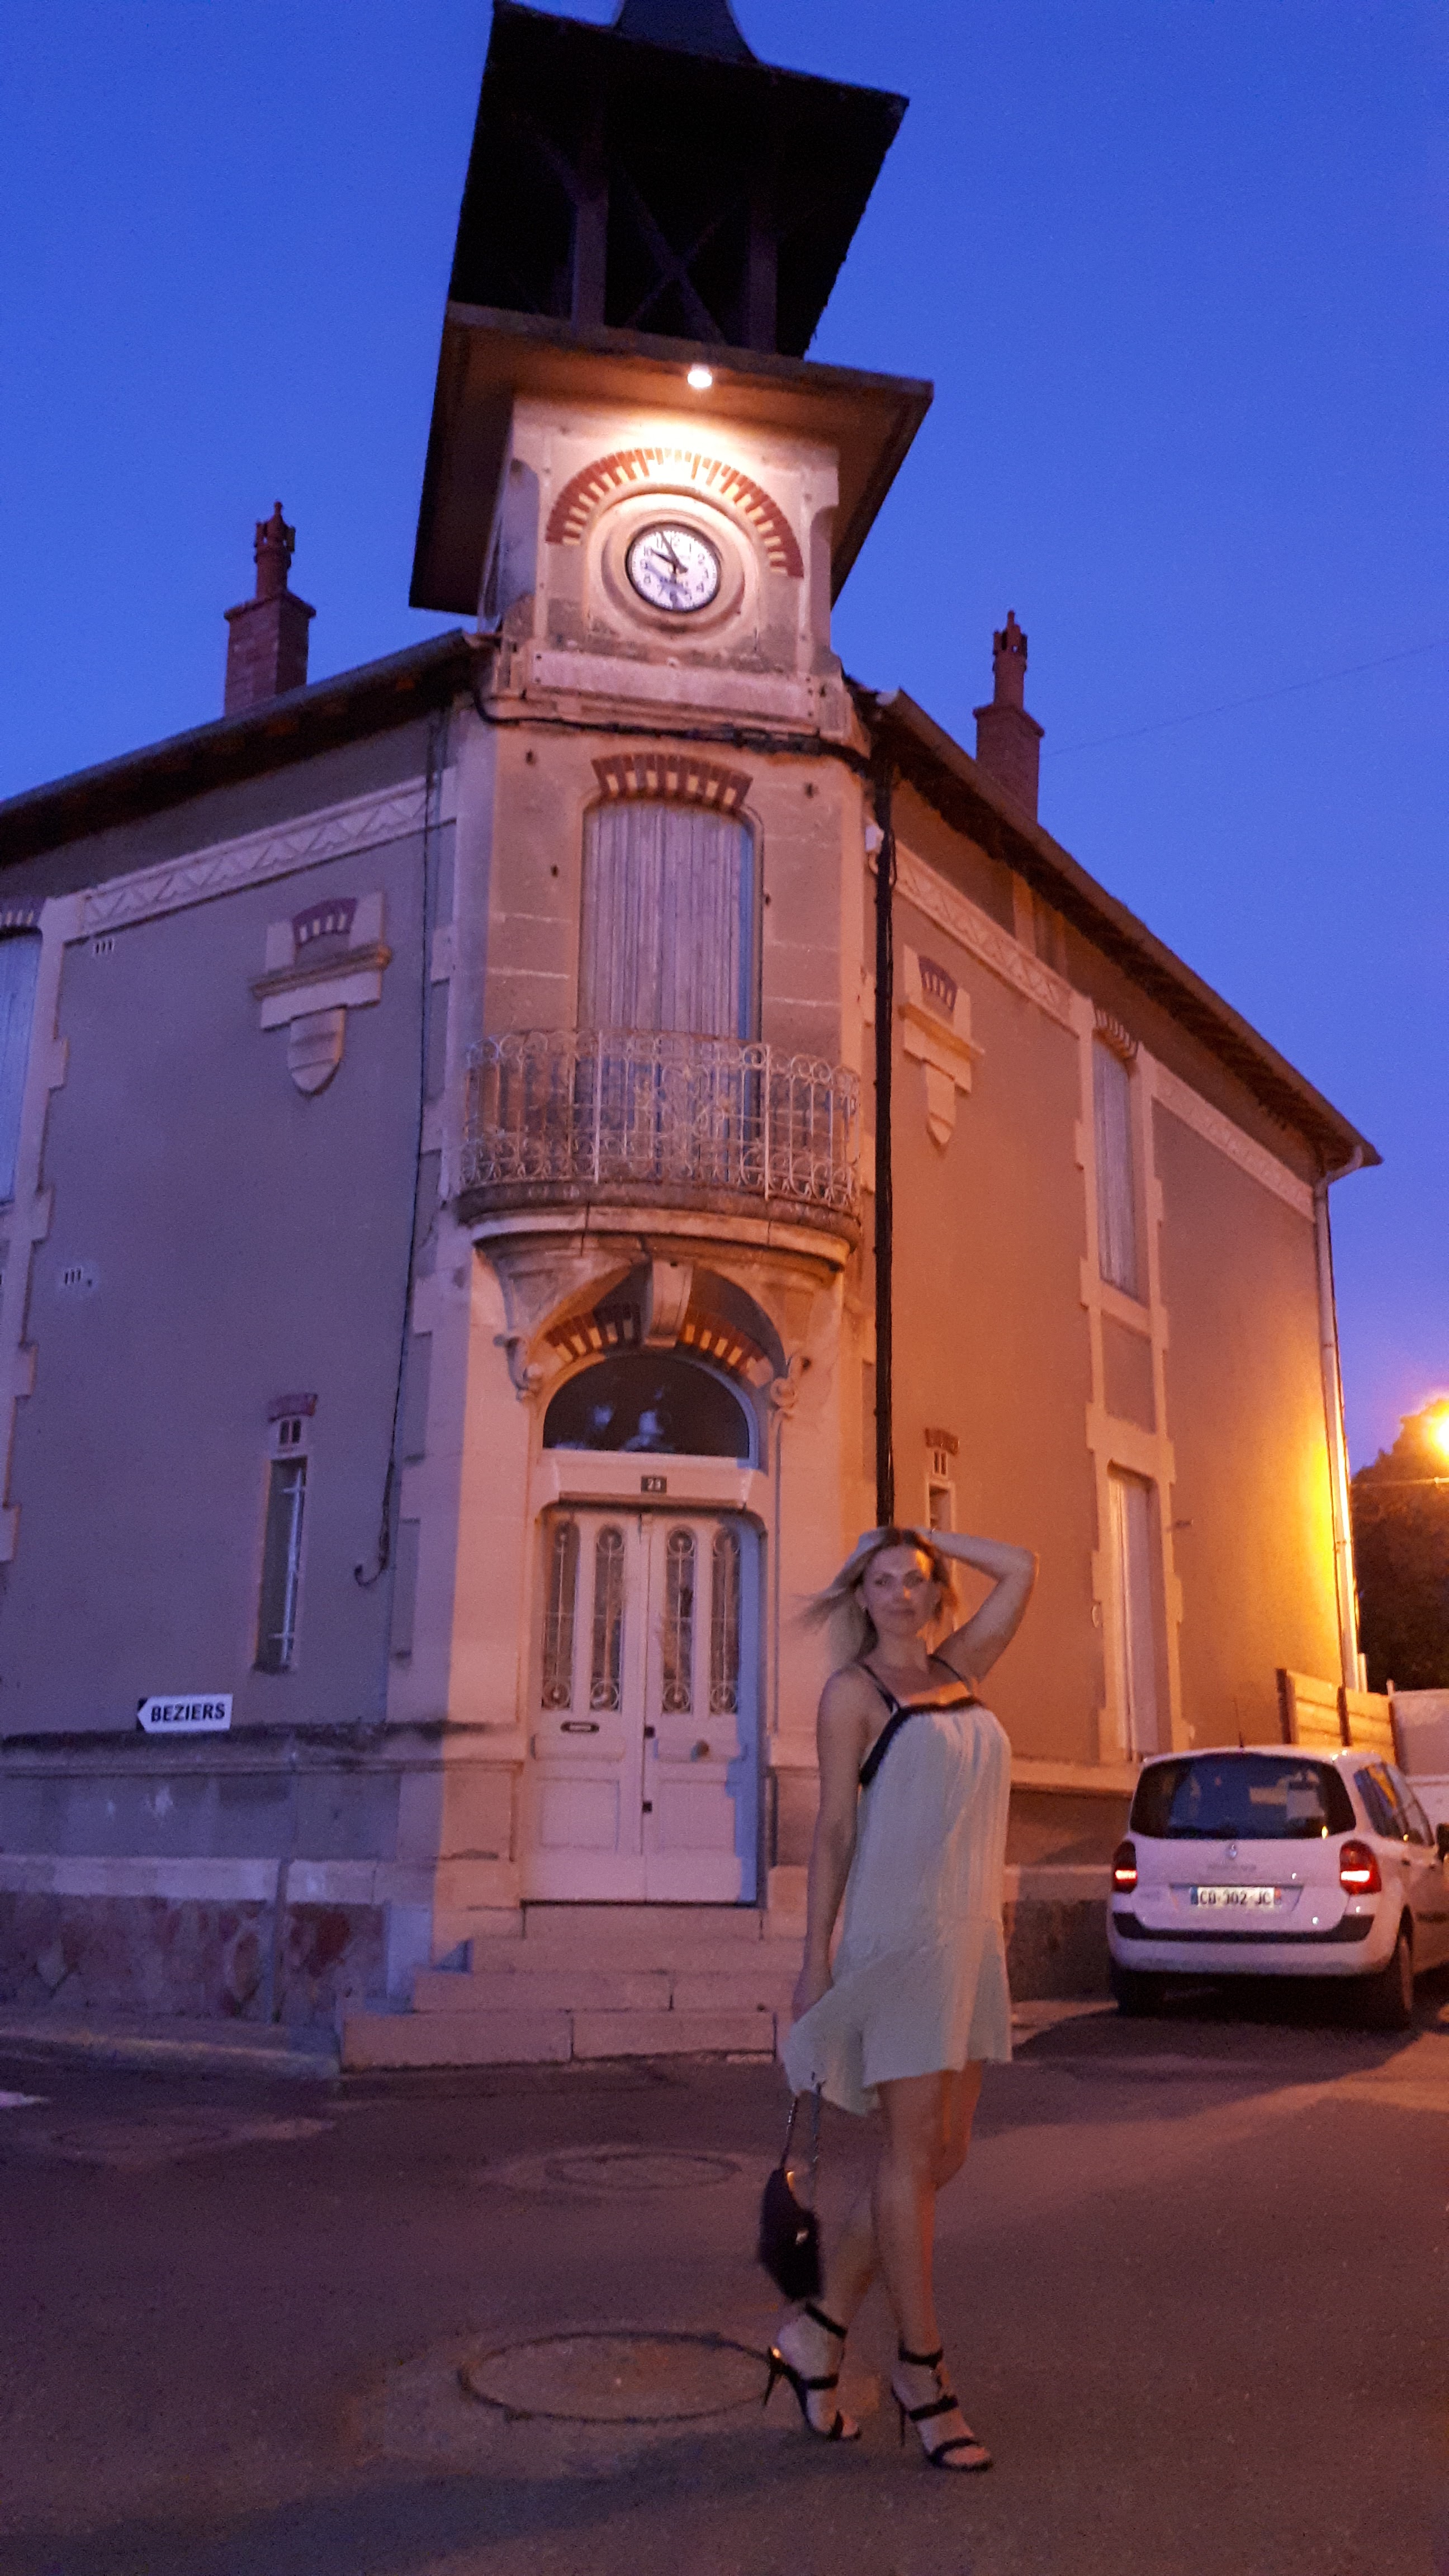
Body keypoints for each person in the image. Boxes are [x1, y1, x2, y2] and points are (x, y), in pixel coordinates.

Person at [765, 1524, 1036, 2471]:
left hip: (970, 1940)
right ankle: (924, 2374)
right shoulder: (853, 1693)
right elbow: (835, 1831)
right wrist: (814, 1959)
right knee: (912, 2154)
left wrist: (925, 1529)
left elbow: (1023, 1567)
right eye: (881, 1581)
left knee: (941, 2155)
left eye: (915, 1579)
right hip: (900, 1938)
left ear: (935, 1591)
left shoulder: (960, 1669)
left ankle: (816, 2334)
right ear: (860, 1597)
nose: (900, 1595)